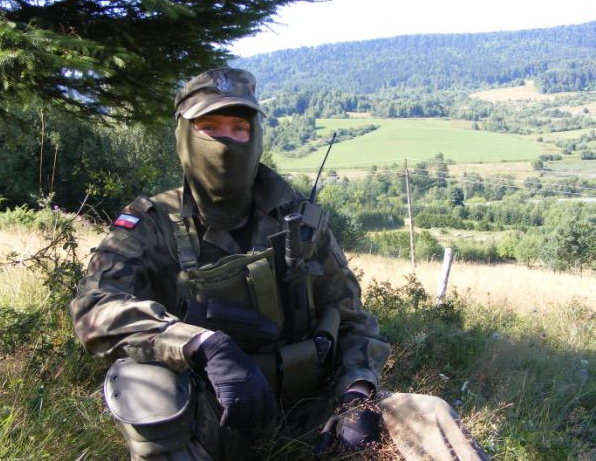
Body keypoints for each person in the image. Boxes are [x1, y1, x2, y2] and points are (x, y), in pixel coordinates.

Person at [69, 68, 488, 461]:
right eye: (210, 127)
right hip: (209, 413)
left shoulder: (301, 220)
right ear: (183, 136)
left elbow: (352, 319)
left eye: (239, 128)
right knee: (143, 385)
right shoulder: (151, 223)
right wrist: (200, 344)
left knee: (427, 413)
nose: (226, 141)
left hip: (309, 411)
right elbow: (93, 308)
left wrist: (356, 396)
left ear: (255, 136)